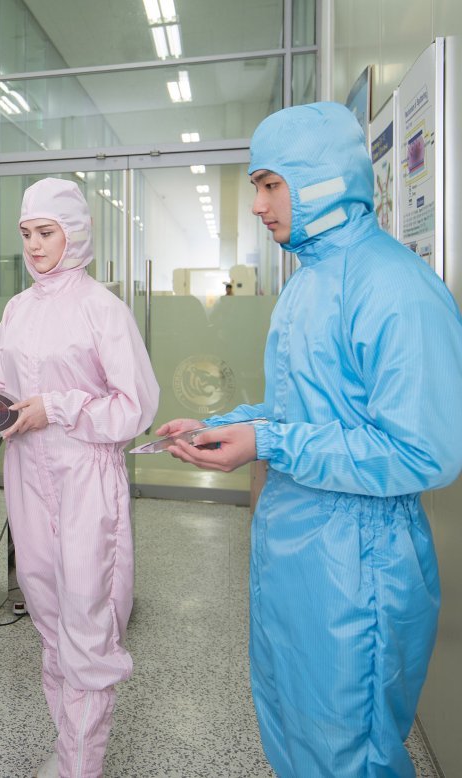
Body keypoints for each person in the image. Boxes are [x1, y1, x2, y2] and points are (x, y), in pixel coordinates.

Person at [156, 102, 462, 777]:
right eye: (255, 187)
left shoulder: (395, 287)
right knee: (295, 731)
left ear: (324, 180)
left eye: (271, 185)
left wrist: (271, 443)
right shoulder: (308, 283)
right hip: (295, 553)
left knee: (348, 753)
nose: (258, 206)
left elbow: (422, 452)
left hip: (358, 568)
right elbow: (301, 407)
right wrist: (229, 424)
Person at [0, 178, 159, 777]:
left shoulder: (101, 308)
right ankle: (69, 753)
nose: (34, 246)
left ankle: (81, 767)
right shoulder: (19, 309)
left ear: (74, 234)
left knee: (88, 624)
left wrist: (55, 408)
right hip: (28, 477)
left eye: (46, 233)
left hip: (86, 478)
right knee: (51, 621)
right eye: (27, 233)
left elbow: (134, 406)